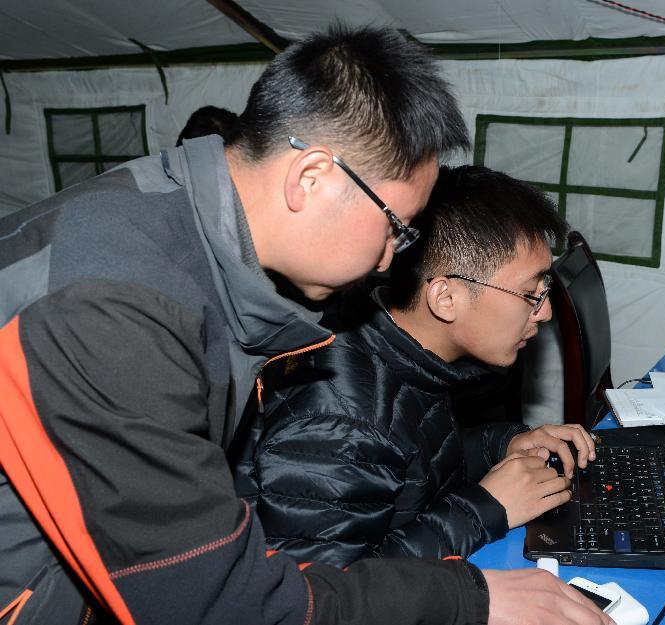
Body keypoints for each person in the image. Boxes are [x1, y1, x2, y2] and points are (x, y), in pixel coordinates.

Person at [0, 24, 610, 625]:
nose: (394, 257)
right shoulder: (115, 311)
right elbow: (218, 605)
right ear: (312, 178)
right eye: (396, 226)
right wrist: (469, 597)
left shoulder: (175, 226)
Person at [233, 165, 598, 567]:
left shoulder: (400, 343)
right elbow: (328, 593)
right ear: (445, 298)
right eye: (531, 292)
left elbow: (406, 469)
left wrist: (499, 446)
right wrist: (485, 508)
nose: (544, 313)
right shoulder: (340, 423)